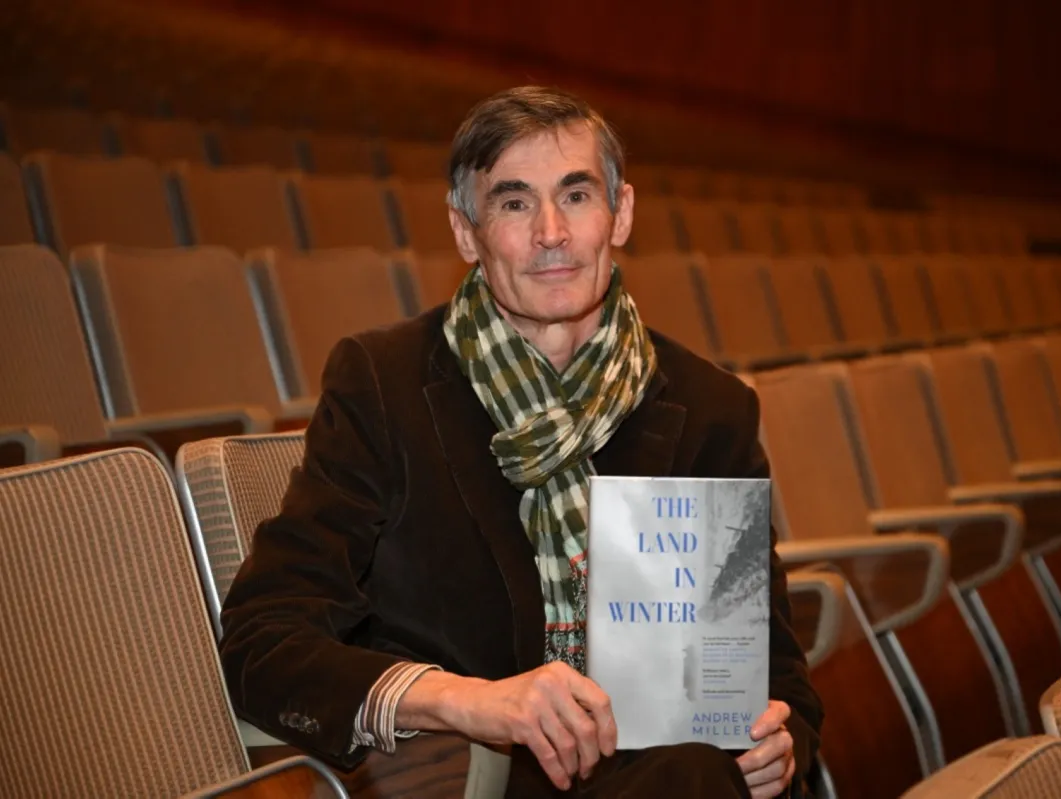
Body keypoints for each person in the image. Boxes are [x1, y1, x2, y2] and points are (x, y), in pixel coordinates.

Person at [219, 86, 823, 798]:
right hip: (466, 781)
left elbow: (777, 676)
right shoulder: (383, 385)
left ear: (619, 213)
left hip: (666, 778)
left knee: (692, 772)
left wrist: (777, 744)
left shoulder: (709, 410)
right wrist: (465, 699)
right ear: (465, 231)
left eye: (575, 196)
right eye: (513, 202)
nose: (550, 233)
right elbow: (265, 641)